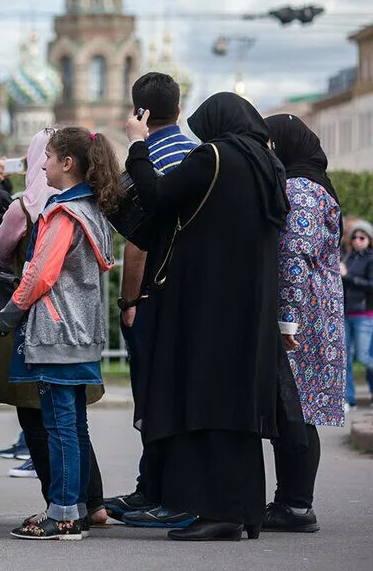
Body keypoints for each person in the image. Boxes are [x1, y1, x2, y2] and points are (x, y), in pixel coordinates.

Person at [124, 93, 288, 541]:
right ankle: (244, 512)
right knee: (237, 408)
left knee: (208, 402)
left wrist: (138, 144)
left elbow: (158, 197)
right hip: (250, 308)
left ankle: (217, 512)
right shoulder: (267, 164)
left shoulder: (214, 155)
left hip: (209, 304)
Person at [0, 129, 109, 525]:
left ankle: (63, 512)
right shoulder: (91, 207)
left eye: (48, 157)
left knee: (59, 426)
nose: (42, 165)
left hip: (55, 331)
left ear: (67, 164)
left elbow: (39, 274)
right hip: (83, 329)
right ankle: (81, 507)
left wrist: (11, 311)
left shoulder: (60, 213)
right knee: (76, 426)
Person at [105, 71, 199, 528]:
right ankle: (169, 486)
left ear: (139, 113)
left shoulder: (142, 162)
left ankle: (154, 489)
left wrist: (128, 301)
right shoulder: (200, 155)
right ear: (178, 111)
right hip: (198, 295)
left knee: (153, 396)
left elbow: (137, 242)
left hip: (156, 296)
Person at [264, 114, 346, 532]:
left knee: (292, 409)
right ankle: (291, 501)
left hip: (301, 320)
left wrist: (286, 321)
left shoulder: (299, 190)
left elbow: (293, 257)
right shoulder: (318, 186)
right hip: (319, 315)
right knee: (300, 409)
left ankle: (295, 504)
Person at [341, 221, 373, 406]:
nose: (357, 240)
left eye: (362, 237)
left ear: (369, 239)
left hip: (364, 315)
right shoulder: (347, 257)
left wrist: (348, 278)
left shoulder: (370, 259)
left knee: (362, 356)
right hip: (346, 313)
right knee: (344, 358)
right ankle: (349, 399)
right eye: (354, 237)